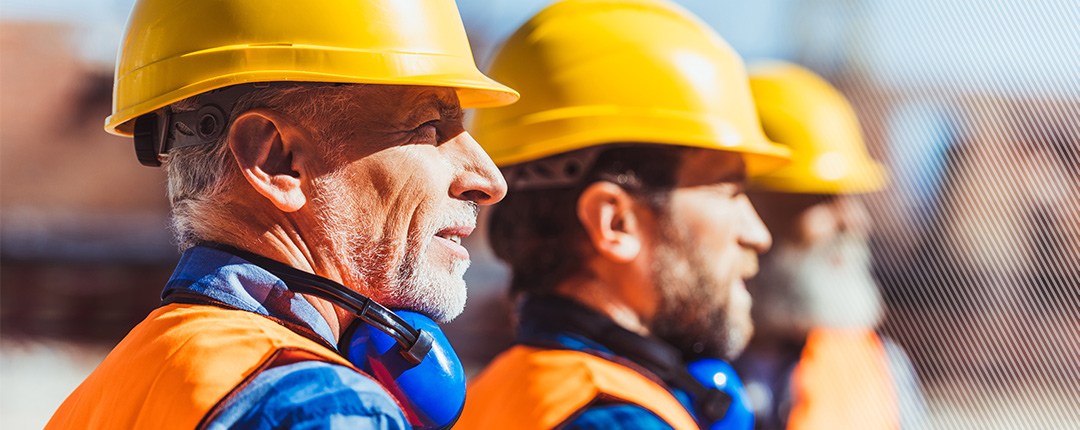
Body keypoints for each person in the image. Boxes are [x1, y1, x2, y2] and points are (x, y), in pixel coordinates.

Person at [45, 0, 516, 429]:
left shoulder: (103, 392)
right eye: (429, 127)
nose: (489, 180)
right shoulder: (321, 408)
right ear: (277, 162)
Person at [453, 0, 792, 429]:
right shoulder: (618, 419)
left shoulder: (494, 393)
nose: (757, 234)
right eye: (728, 192)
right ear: (615, 222)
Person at [731, 61, 928, 430]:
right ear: (741, 203)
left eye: (851, 197)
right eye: (821, 197)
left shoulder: (885, 368)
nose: (854, 222)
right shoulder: (664, 368)